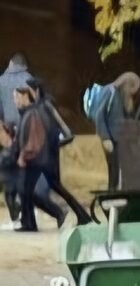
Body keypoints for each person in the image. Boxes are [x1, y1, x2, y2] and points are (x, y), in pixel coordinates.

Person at [12, 79, 93, 232]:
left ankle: (72, 215)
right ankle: (73, 215)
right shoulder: (34, 109)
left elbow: (67, 133)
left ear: (35, 91)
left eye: (28, 91)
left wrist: (52, 147)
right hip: (40, 157)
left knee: (44, 188)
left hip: (48, 158)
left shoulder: (47, 105)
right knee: (31, 189)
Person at [83, 71, 140, 191]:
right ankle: (111, 193)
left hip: (121, 140)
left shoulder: (122, 97)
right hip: (111, 139)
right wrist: (105, 138)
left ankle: (117, 192)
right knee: (113, 169)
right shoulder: (110, 91)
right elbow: (100, 115)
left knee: (120, 169)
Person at [0, 55, 33, 230]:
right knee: (25, 171)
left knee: (8, 174)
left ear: (11, 63)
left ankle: (14, 214)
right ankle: (23, 207)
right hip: (25, 129)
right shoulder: (29, 79)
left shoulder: (0, 81)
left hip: (7, 133)